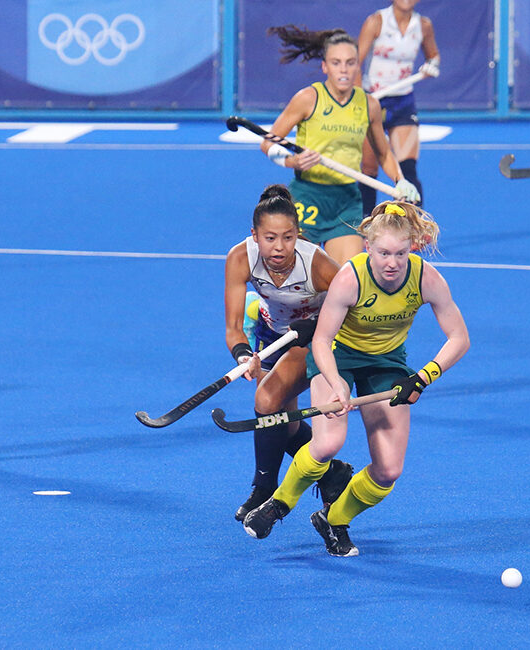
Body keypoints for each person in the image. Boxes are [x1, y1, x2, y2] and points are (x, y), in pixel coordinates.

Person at [242, 201, 469, 556]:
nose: (392, 263)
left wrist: (423, 378)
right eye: (383, 253)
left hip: (387, 363)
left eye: (400, 253)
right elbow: (321, 340)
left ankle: (334, 520)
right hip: (338, 356)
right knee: (328, 442)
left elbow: (459, 338)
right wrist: (336, 384)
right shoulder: (350, 278)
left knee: (389, 469)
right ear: (368, 247)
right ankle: (279, 505)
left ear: (411, 248)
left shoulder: (426, 278)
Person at [224, 184, 353, 521]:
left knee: (267, 401)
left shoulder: (317, 265)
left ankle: (264, 489)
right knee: (284, 426)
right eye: (269, 238)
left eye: (287, 237)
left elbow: (355, 305)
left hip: (315, 337)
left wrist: (320, 326)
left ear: (298, 234)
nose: (279, 247)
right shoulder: (240, 258)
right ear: (254, 235)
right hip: (271, 333)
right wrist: (243, 356)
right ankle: (331, 473)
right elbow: (233, 327)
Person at [263, 25, 421, 265]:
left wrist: (400, 180)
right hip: (307, 197)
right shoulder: (308, 98)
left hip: (347, 201)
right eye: (336, 63)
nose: (344, 70)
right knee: (299, 279)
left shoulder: (369, 105)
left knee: (348, 278)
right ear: (325, 67)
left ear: (358, 66)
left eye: (350, 63)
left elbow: (384, 154)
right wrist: (292, 161)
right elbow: (268, 143)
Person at [357, 0, 440, 216]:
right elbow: (356, 62)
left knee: (407, 168)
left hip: (403, 101)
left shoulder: (423, 25)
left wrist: (432, 65)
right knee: (369, 169)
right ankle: (366, 222)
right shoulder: (376, 22)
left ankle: (415, 224)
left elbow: (434, 56)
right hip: (373, 101)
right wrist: (358, 99)